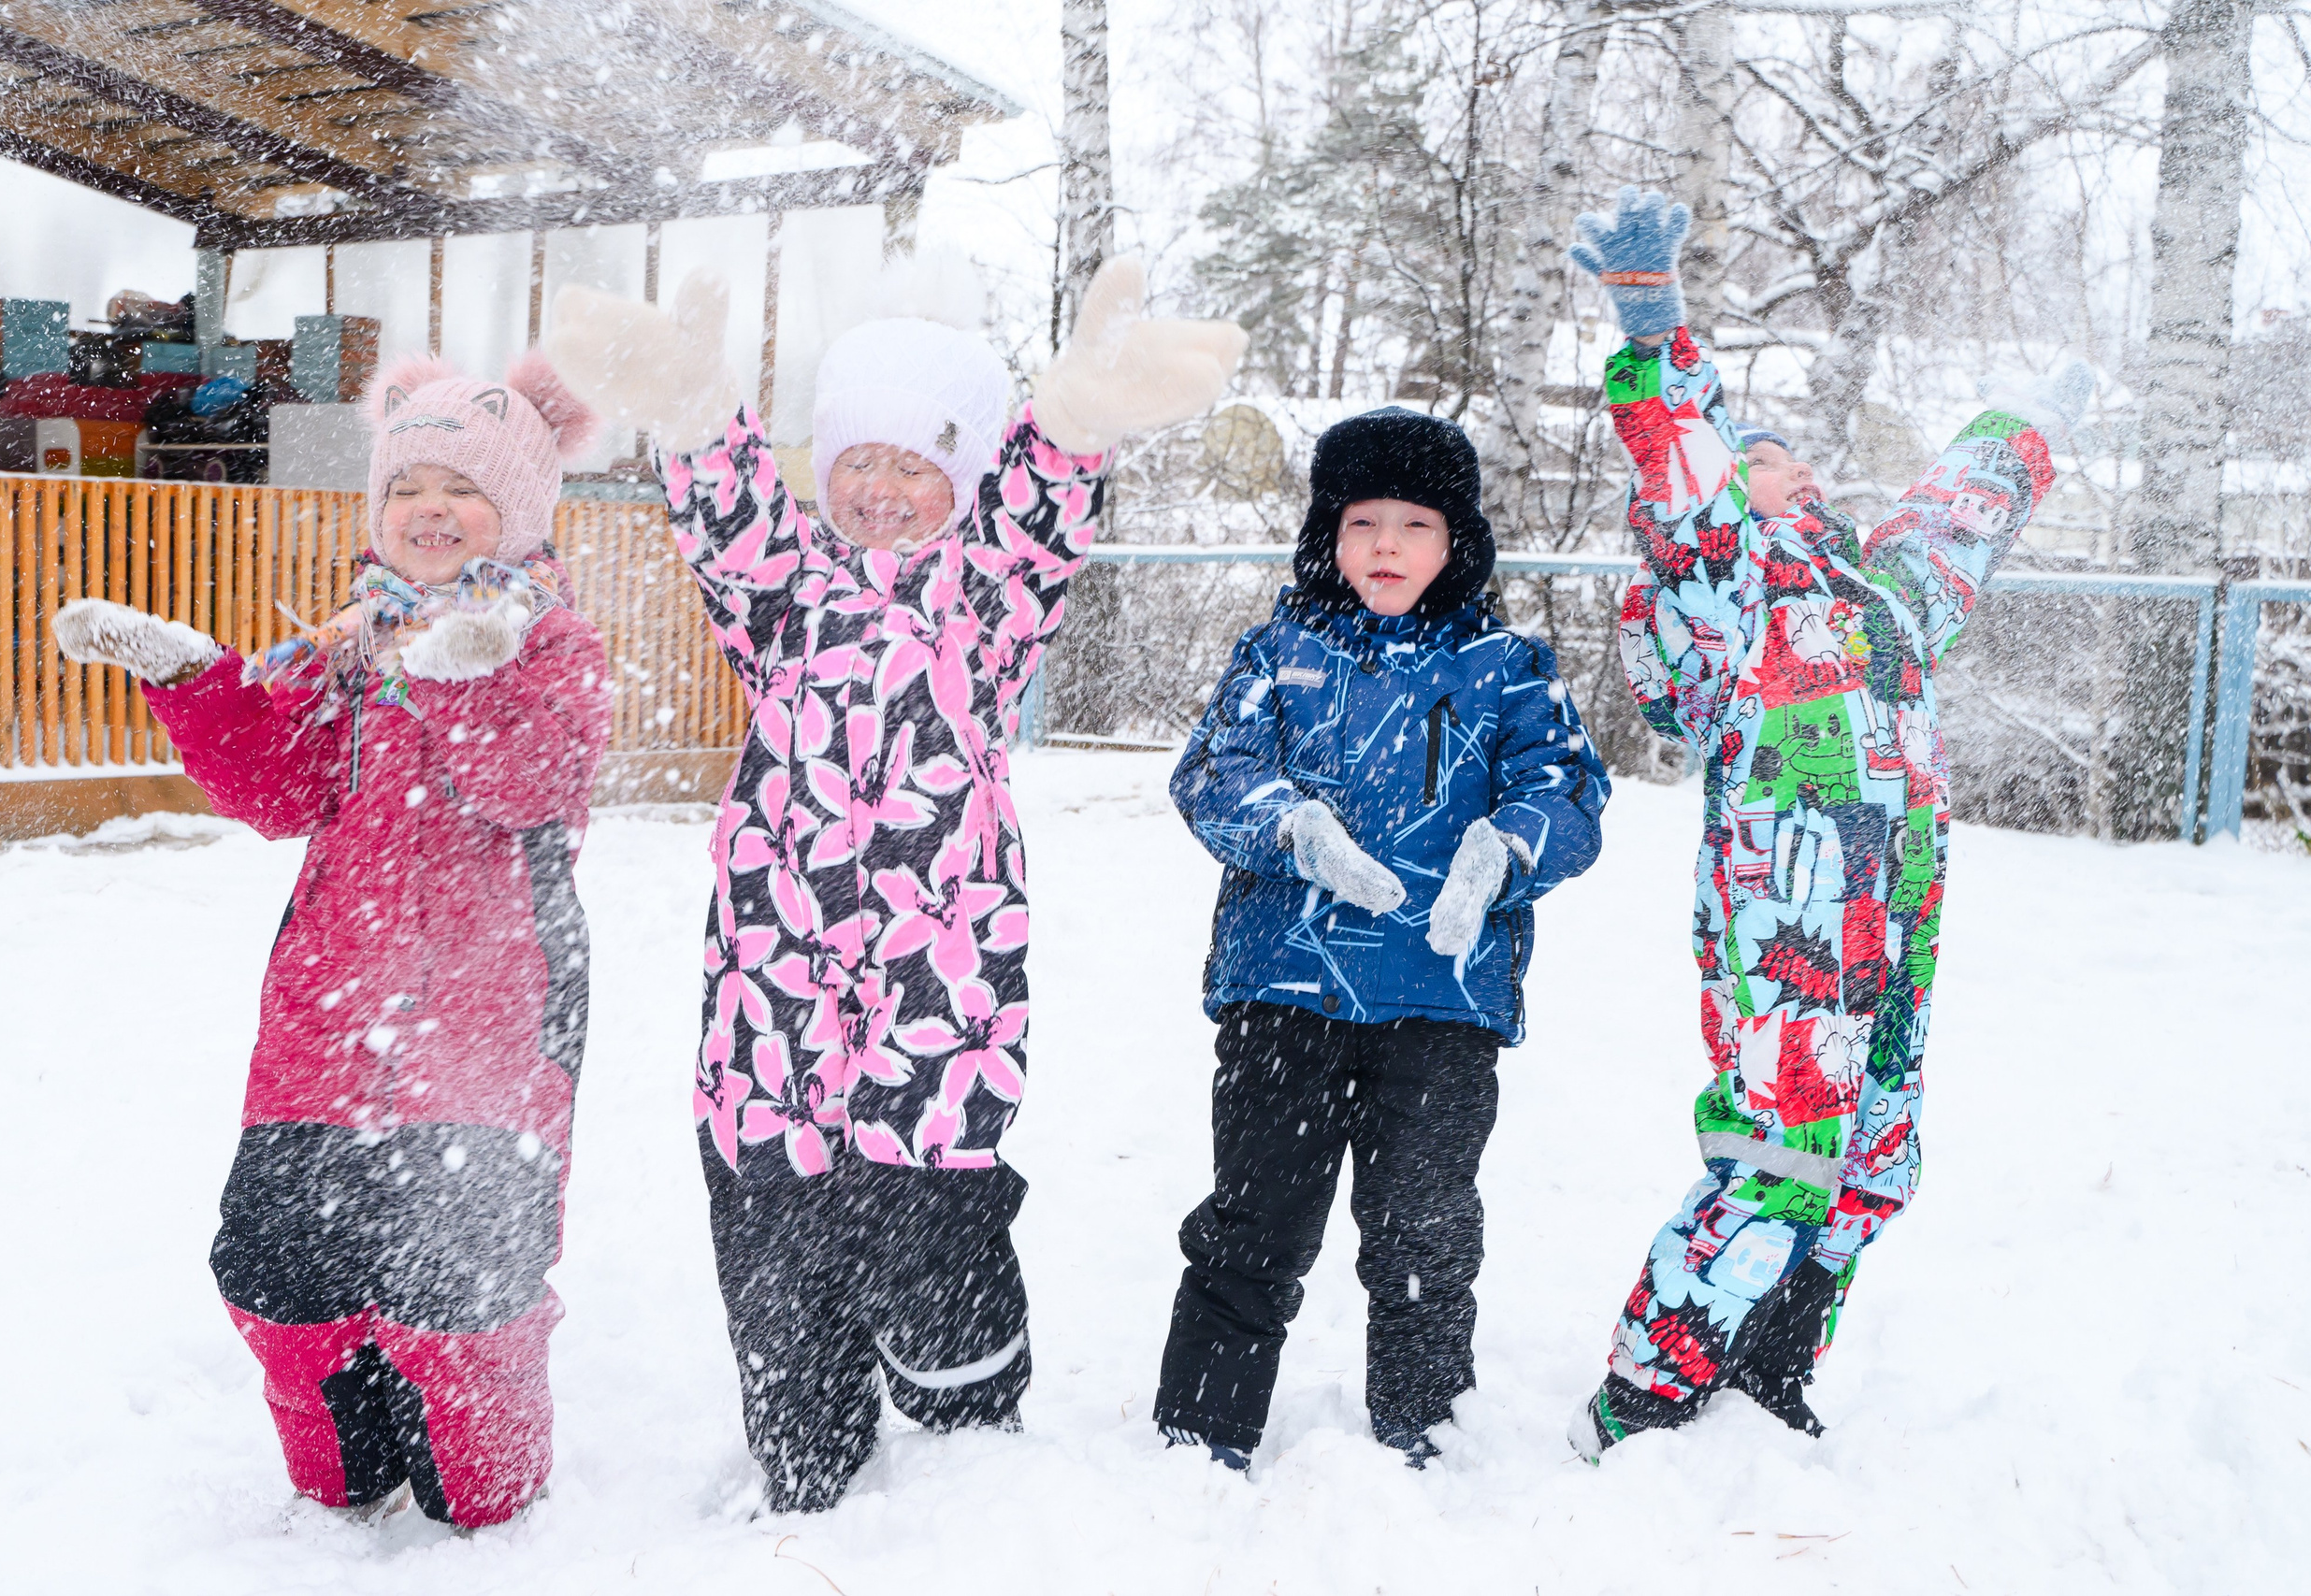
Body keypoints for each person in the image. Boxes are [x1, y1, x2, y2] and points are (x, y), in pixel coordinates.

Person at [545, 258, 1245, 1512]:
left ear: (959, 478)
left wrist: (1075, 419)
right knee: (776, 1239)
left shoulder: (986, 599)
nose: (877, 485)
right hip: (774, 999)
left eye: (914, 463)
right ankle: (805, 1453)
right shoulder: (788, 594)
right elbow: (731, 517)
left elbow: (1040, 516)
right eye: (856, 457)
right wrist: (697, 417)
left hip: (940, 991)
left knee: (933, 1241)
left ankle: (967, 1437)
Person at [1563, 187, 2092, 1458]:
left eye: (1784, 452)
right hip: (1788, 904)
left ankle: (1769, 1366)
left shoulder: (1887, 587)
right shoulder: (1720, 578)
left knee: (1875, 1152)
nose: (1772, 461)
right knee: (1781, 1147)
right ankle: (1647, 1389)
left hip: (1900, 904)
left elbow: (1962, 510)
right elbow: (1682, 470)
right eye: (1750, 456)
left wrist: (2036, 423)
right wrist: (1656, 325)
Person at [51, 354, 611, 1528]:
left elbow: (531, 779)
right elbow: (278, 788)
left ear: (515, 510)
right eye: (409, 481)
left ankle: (484, 1497)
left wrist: (459, 677)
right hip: (327, 1011)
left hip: (487, 1024)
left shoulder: (552, 643)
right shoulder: (352, 644)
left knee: (461, 1297)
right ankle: (341, 1481)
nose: (430, 505)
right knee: (279, 1276)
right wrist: (196, 681)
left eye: (465, 484)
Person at [1153, 406, 1611, 1471]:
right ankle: (1200, 1438)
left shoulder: (1508, 666)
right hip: (1286, 993)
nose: (1388, 546)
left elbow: (1567, 791)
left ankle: (1422, 1433)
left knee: (1422, 1234)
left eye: (1415, 523)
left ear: (1457, 543)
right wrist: (1291, 829)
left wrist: (1508, 847)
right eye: (1364, 521)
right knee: (1253, 1225)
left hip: (1441, 1002)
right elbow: (1212, 775)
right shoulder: (1278, 652)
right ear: (1330, 534)